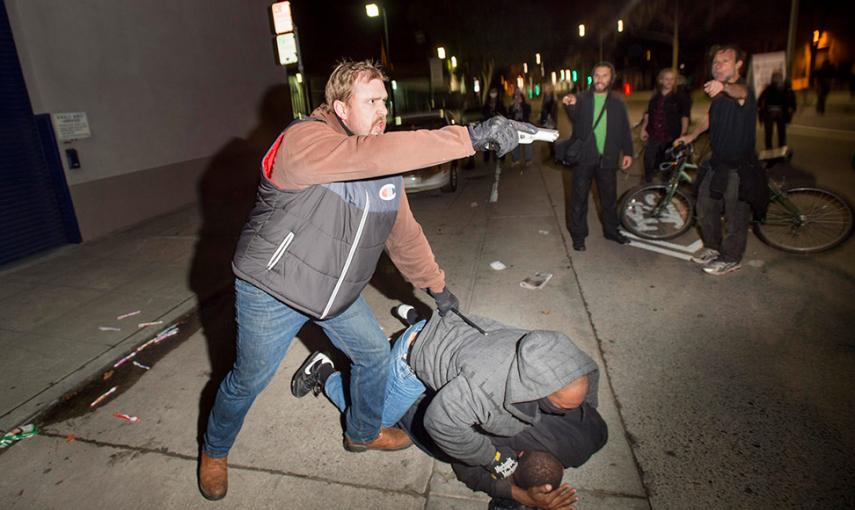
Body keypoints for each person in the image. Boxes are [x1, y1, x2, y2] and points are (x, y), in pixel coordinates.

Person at [198, 59, 537, 500]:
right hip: (273, 289)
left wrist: (438, 287)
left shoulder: (382, 171)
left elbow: (405, 236)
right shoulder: (303, 141)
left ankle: (362, 432)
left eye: (384, 100)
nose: (382, 109)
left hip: (335, 292)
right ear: (340, 108)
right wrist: (467, 137)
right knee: (248, 379)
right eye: (371, 100)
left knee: (375, 356)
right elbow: (368, 154)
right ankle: (215, 450)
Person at [293, 310, 607, 510]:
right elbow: (456, 451)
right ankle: (327, 372)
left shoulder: (590, 434)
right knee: (368, 433)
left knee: (417, 423)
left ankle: (415, 324)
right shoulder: (492, 408)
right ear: (518, 457)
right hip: (416, 366)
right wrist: (506, 476)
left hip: (461, 330)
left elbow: (584, 372)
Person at [676, 45, 760, 276]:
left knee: (735, 215)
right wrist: (691, 135)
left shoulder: (743, 91)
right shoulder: (720, 96)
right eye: (715, 62)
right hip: (717, 161)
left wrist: (723, 86)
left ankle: (731, 258)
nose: (717, 65)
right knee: (704, 207)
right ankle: (712, 247)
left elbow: (740, 92)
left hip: (738, 165)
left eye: (724, 61)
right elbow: (710, 118)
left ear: (738, 65)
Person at [561, 62, 634, 251]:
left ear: (611, 79)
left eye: (605, 76)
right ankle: (578, 237)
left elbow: (625, 129)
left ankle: (611, 231)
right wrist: (570, 104)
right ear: (592, 77)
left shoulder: (617, 102)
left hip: (608, 158)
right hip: (584, 158)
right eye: (597, 75)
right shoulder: (582, 98)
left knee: (609, 199)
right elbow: (574, 116)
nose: (600, 79)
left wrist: (628, 152)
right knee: (578, 199)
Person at [639, 68, 691, 183]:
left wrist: (683, 135)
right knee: (648, 160)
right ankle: (647, 185)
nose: (669, 81)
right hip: (654, 135)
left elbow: (685, 117)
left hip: (670, 137)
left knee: (667, 165)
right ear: (661, 80)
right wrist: (643, 129)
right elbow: (648, 114)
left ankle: (665, 192)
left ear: (675, 81)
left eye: (672, 79)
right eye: (666, 79)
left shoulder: (681, 97)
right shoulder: (655, 97)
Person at [757, 71, 796, 149]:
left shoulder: (769, 88)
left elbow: (760, 100)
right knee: (781, 133)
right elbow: (791, 100)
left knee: (769, 133)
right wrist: (792, 108)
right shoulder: (785, 88)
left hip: (770, 112)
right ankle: (781, 148)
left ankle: (770, 149)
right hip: (780, 112)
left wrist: (760, 111)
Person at [509, 87, 534, 167]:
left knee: (527, 142)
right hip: (515, 126)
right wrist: (513, 108)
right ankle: (516, 159)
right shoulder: (512, 105)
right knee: (515, 143)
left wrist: (522, 104)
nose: (517, 96)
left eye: (518, 94)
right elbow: (509, 116)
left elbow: (528, 112)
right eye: (516, 94)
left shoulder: (525, 104)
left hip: (524, 125)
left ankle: (528, 159)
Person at [482, 87, 508, 164]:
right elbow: (483, 113)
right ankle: (486, 159)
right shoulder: (487, 104)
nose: (493, 94)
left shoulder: (500, 103)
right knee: (487, 142)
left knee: (499, 141)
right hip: (488, 126)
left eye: (494, 92)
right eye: (492, 92)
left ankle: (501, 157)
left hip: (498, 126)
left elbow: (504, 113)